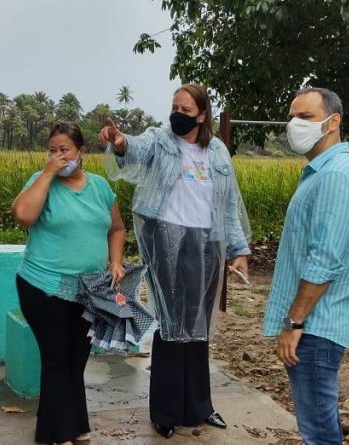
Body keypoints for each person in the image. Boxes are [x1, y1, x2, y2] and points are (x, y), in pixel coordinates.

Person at [100, 84, 250, 439]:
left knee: (198, 328)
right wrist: (120, 143)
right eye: (174, 107)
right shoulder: (162, 140)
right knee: (170, 327)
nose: (177, 115)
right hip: (167, 243)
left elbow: (228, 205)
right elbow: (136, 147)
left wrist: (238, 251)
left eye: (185, 109)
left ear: (201, 115)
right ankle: (165, 412)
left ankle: (199, 406)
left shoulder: (217, 152)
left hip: (207, 246)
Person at [261, 87, 349, 444]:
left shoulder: (335, 176)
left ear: (332, 122)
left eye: (305, 117)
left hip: (315, 327)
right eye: (292, 116)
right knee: (319, 420)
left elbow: (325, 259)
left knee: (318, 429)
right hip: (313, 324)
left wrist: (295, 321)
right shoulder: (321, 172)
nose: (294, 124)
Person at [11, 121, 126, 445]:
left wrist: (115, 262)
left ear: (81, 152)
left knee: (75, 362)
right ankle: (64, 434)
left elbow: (116, 228)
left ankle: (63, 428)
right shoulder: (41, 182)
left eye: (65, 150)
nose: (59, 156)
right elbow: (22, 214)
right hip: (43, 288)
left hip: (89, 292)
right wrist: (47, 174)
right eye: (52, 150)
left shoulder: (101, 187)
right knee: (57, 359)